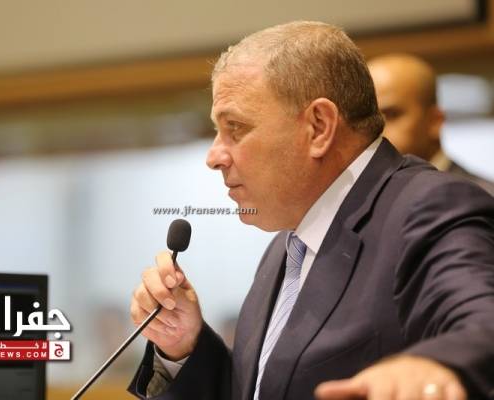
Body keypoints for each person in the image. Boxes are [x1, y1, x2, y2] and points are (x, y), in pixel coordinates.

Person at [128, 21, 494, 400]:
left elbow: (484, 322)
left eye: (234, 127)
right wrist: (184, 346)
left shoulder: (429, 206)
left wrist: (438, 367)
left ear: (319, 127)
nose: (214, 156)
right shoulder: (287, 245)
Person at [368, 53, 494, 196]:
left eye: (392, 115)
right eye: (368, 120)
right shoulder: (367, 199)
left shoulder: (484, 199)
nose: (376, 130)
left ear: (435, 121)